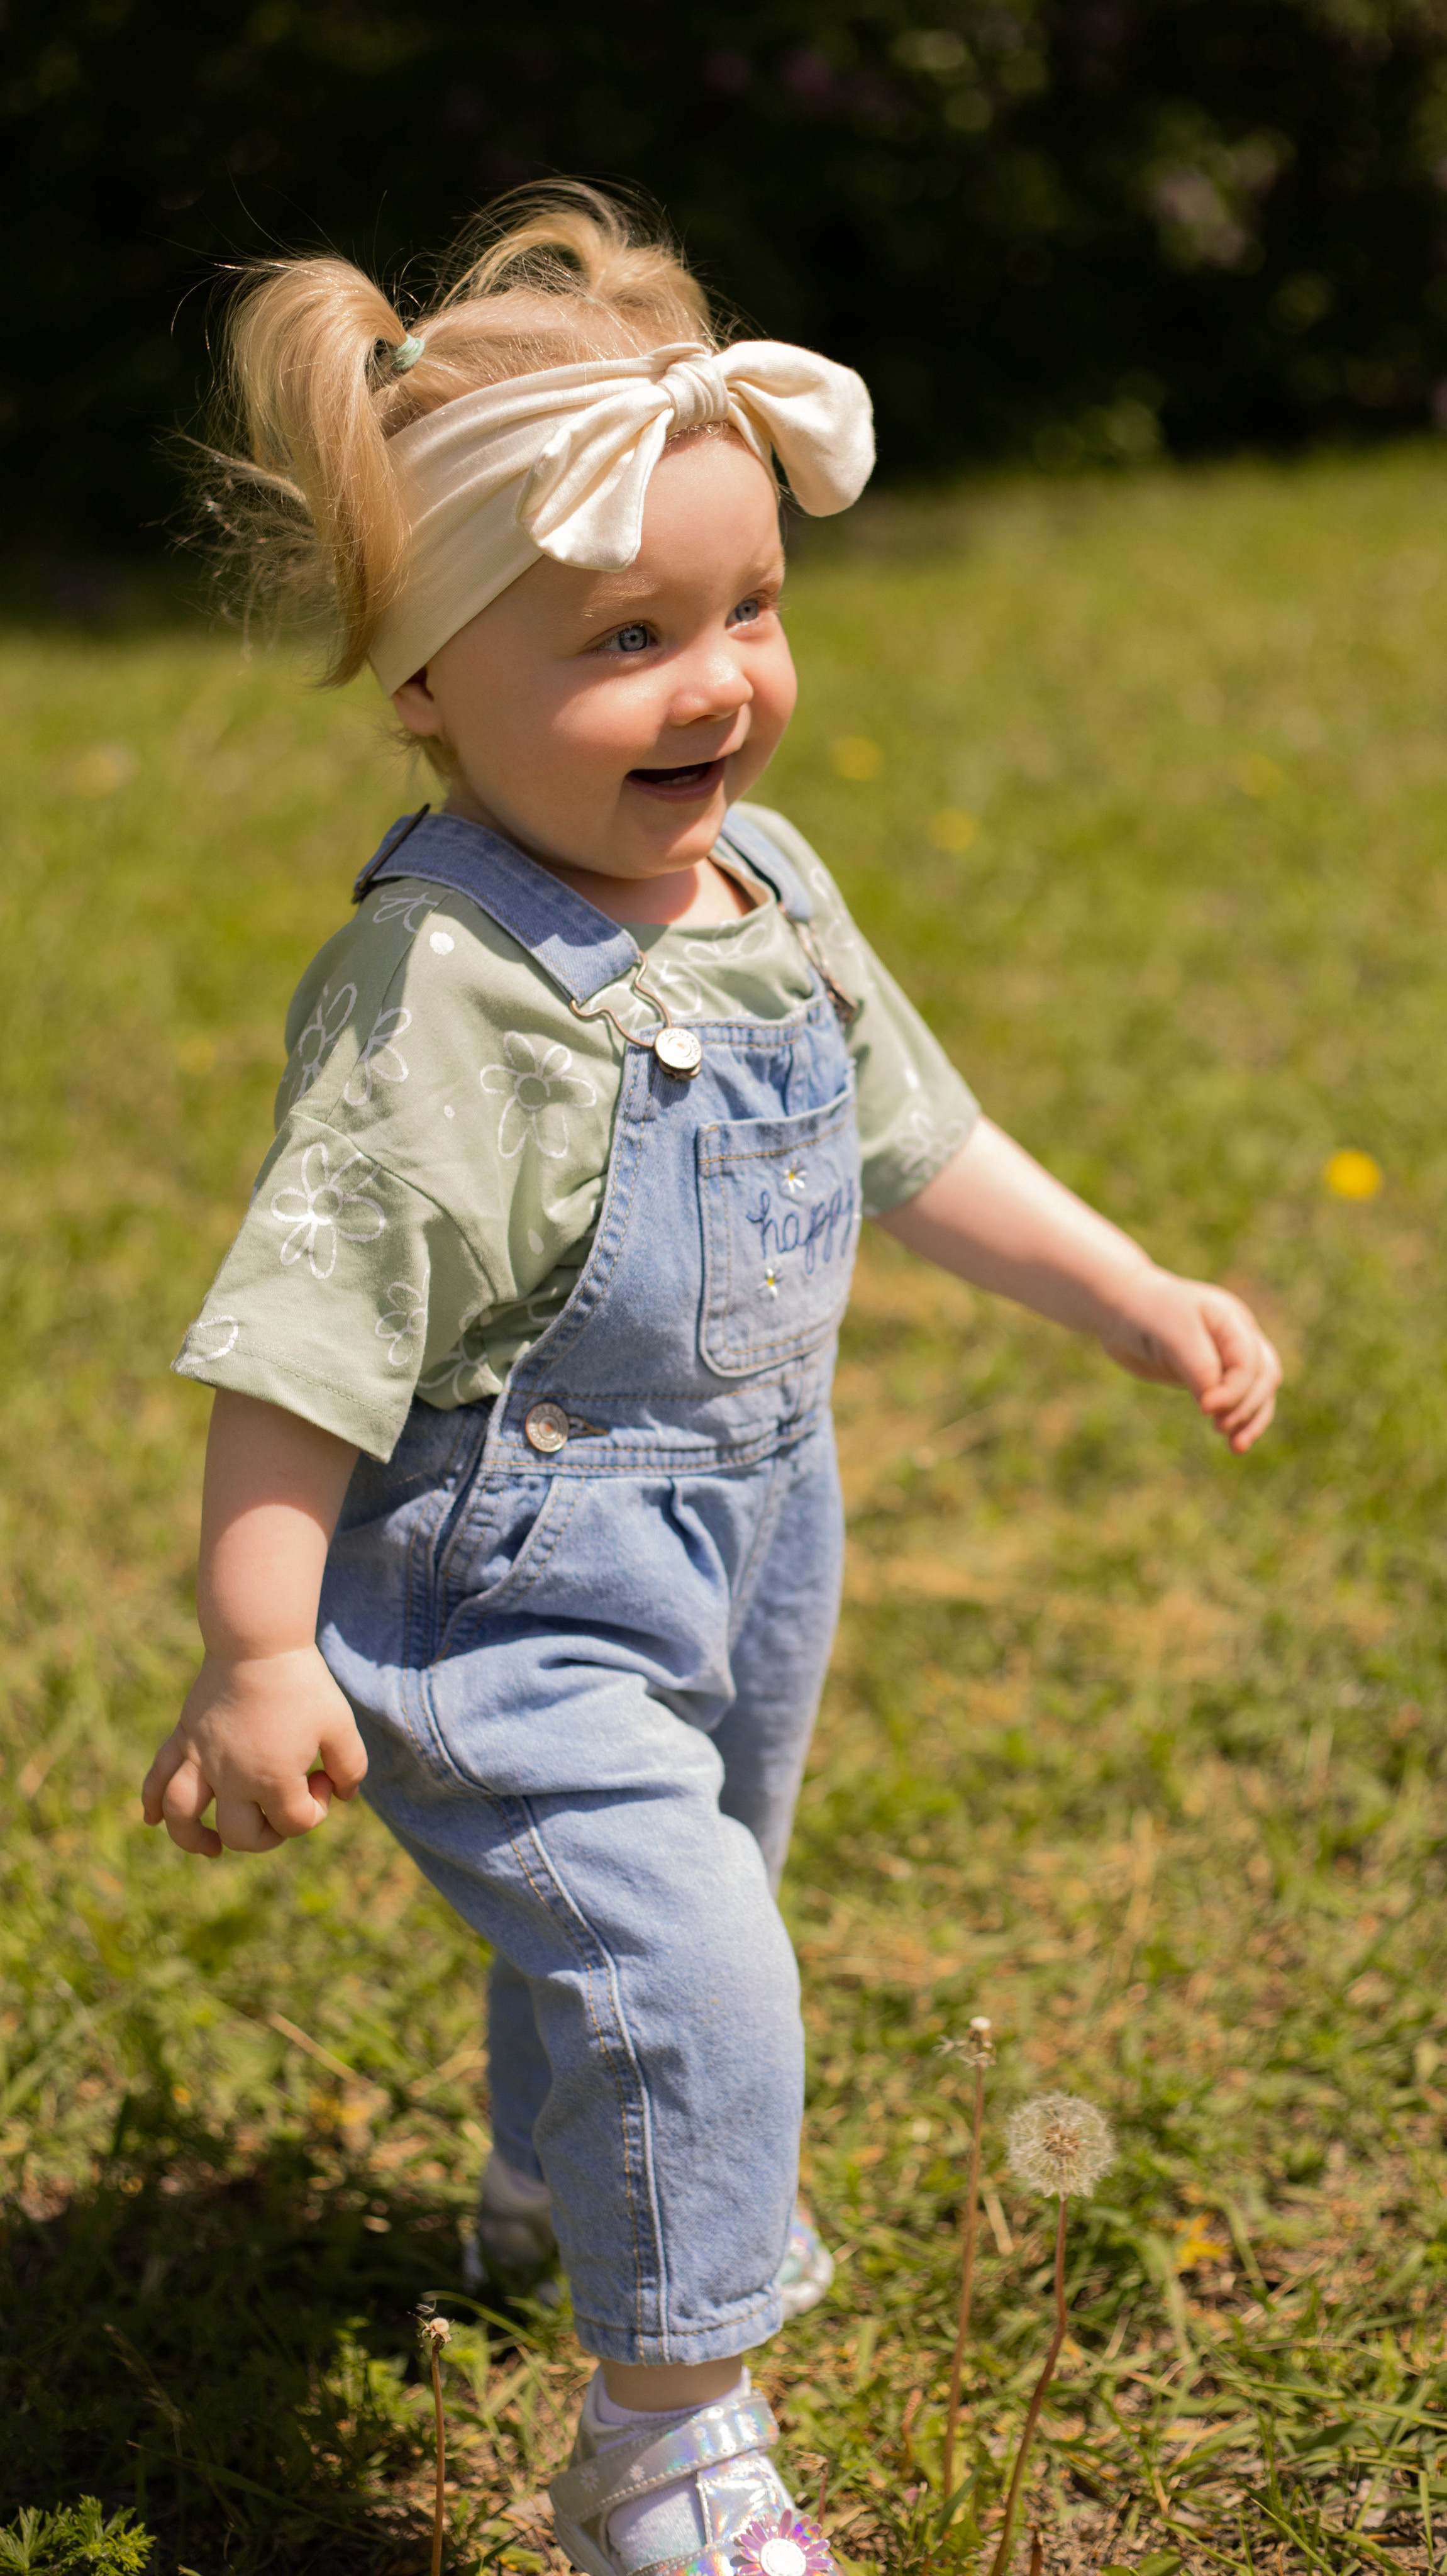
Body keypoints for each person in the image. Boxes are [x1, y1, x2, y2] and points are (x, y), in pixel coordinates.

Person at [143, 186, 1280, 2576]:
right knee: (699, 1961)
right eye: (627, 639)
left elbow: (916, 1142)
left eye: (748, 611)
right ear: (432, 680)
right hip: (500, 1583)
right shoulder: (446, 990)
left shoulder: (772, 894)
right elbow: (302, 1336)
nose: (718, 685)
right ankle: (667, 2443)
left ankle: (546, 2196)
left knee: (686, 1896)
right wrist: (261, 1645)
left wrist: (1131, 1289)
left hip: (754, 1536)